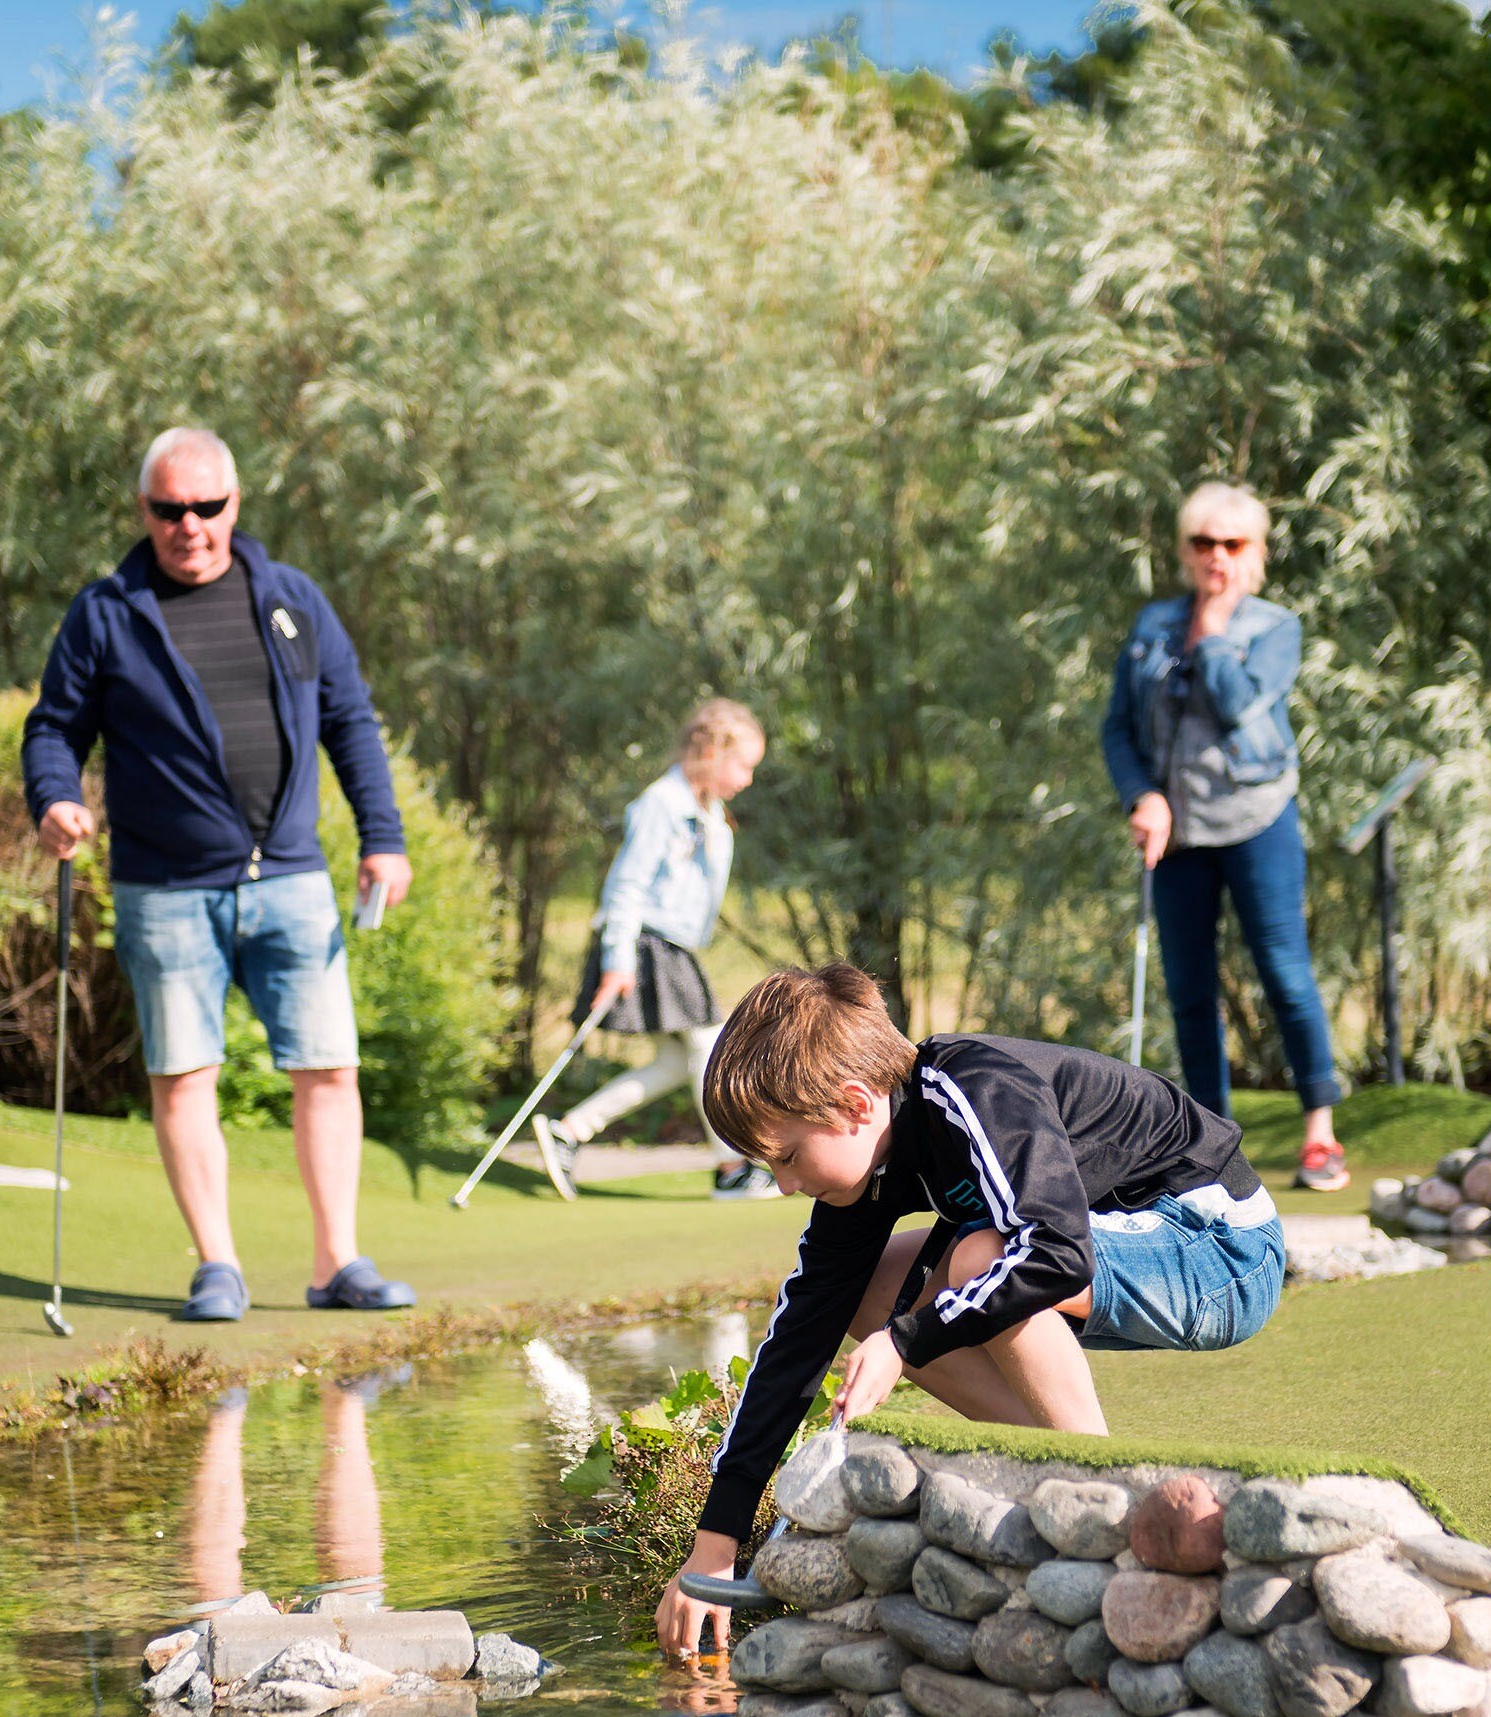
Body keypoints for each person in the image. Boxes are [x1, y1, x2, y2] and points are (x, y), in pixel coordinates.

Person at [654, 963, 1285, 1657]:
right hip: (1121, 1247)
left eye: (789, 1156)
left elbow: (1055, 1253)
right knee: (868, 1291)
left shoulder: (973, 1089)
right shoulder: (863, 1170)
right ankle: (1044, 1461)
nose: (782, 1186)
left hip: (1220, 1248)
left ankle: (1103, 1491)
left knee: (984, 1257)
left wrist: (905, 1342)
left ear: (857, 1105)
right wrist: (713, 1547)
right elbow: (797, 1337)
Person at [24, 426, 416, 1321]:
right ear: (145, 511)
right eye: (170, 510)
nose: (190, 526)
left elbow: (349, 721)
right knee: (183, 1073)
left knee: (328, 1069)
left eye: (207, 507)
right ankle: (218, 1267)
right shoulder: (106, 612)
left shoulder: (290, 599)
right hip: (164, 887)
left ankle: (336, 1263)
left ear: (236, 506)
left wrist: (381, 836)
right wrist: (54, 797)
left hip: (289, 875)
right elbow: (53, 727)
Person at [1101, 481, 1353, 1193]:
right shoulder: (1152, 624)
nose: (1216, 555)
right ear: (1184, 550)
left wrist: (1211, 631)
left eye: (1232, 544)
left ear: (1256, 554)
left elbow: (1240, 705)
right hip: (1176, 832)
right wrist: (1141, 796)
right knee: (1188, 990)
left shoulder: (1274, 628)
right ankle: (1210, 1148)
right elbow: (1117, 726)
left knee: (1283, 970)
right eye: (1203, 542)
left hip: (1256, 817)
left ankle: (1319, 1134)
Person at [533, 698, 778, 1202]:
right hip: (648, 944)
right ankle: (732, 1167)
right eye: (744, 765)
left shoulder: (707, 812)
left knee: (674, 1064)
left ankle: (568, 1132)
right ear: (710, 751)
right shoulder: (661, 805)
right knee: (712, 1049)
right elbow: (625, 885)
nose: (748, 779)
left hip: (674, 946)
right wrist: (617, 958)